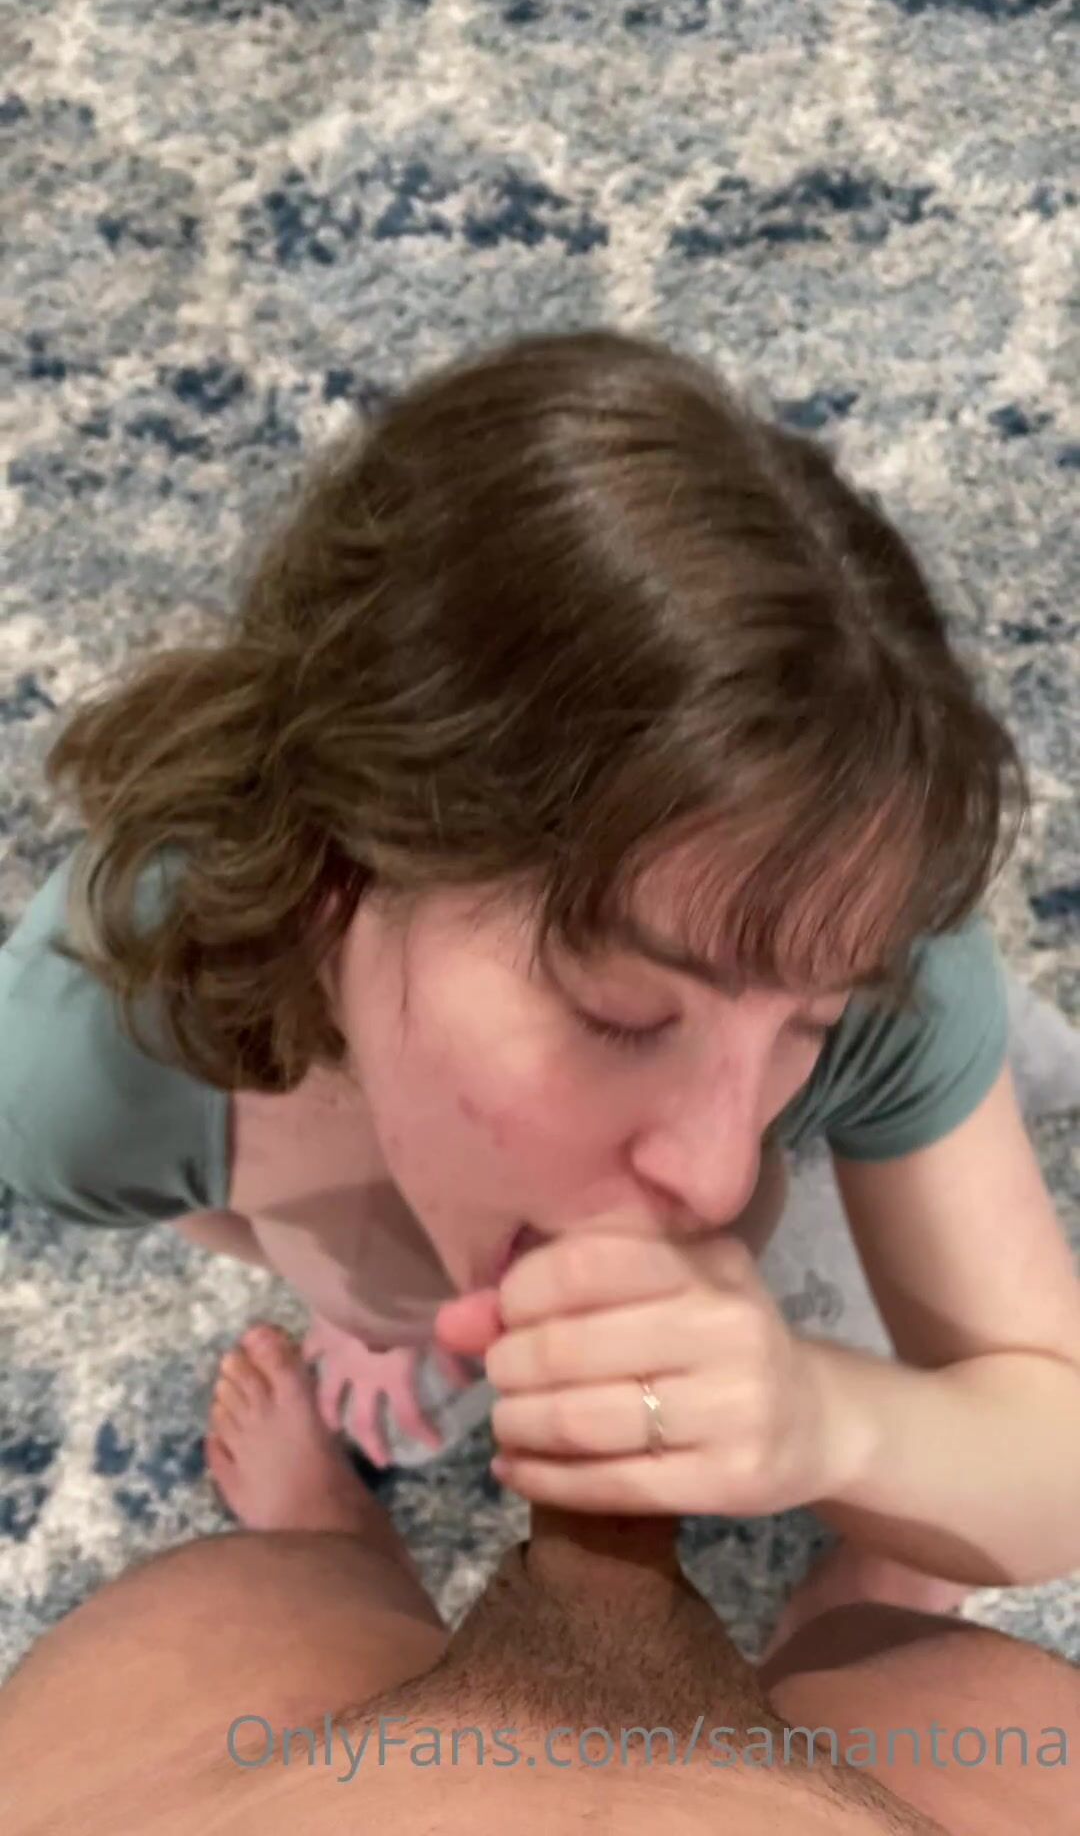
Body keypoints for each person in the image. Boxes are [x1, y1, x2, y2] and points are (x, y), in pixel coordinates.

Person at [2, 328, 1079, 1651]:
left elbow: (1053, 1456)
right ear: (341, 862)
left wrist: (830, 1422)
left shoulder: (865, 938)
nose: (719, 1179)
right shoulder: (90, 1056)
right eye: (622, 1013)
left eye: (809, 1025)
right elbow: (197, 1204)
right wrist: (346, 1291)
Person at [1, 1321, 1076, 1836]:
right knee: (896, 1665)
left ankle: (337, 1545)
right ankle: (851, 1614)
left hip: (234, 1798)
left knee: (293, 1602)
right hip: (925, 1805)